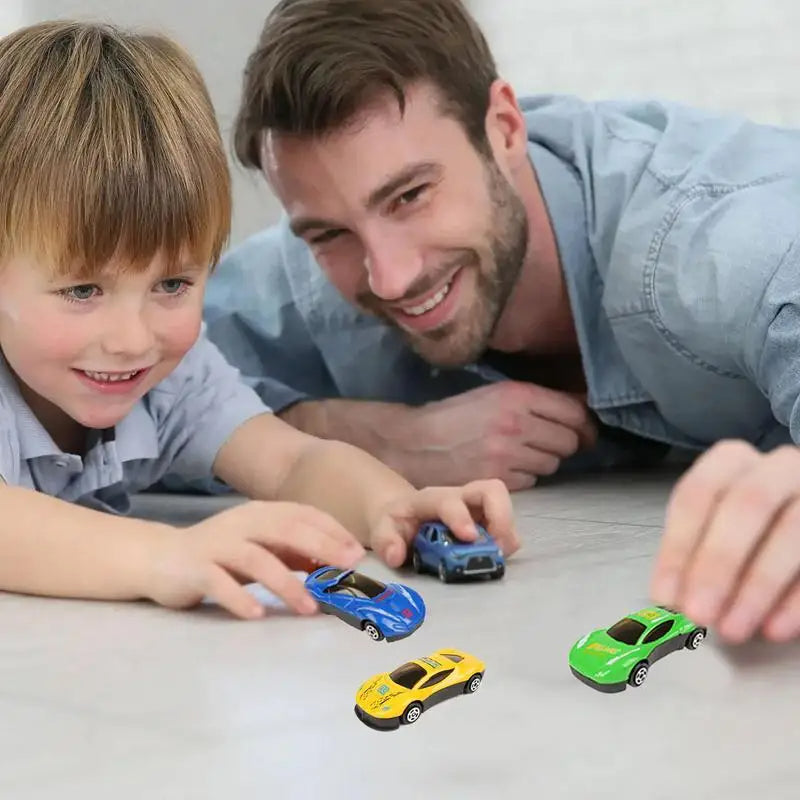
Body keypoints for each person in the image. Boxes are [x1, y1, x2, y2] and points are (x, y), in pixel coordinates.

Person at [204, 0, 800, 644]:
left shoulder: (716, 243)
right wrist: (366, 439)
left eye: (410, 196)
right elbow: (117, 392)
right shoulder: (298, 280)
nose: (390, 276)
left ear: (505, 128)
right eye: (329, 234)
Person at [0, 19, 518, 621]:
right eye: (83, 289)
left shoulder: (174, 376)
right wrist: (164, 555)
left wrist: (392, 506)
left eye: (173, 284)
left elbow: (290, 460)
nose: (132, 339)